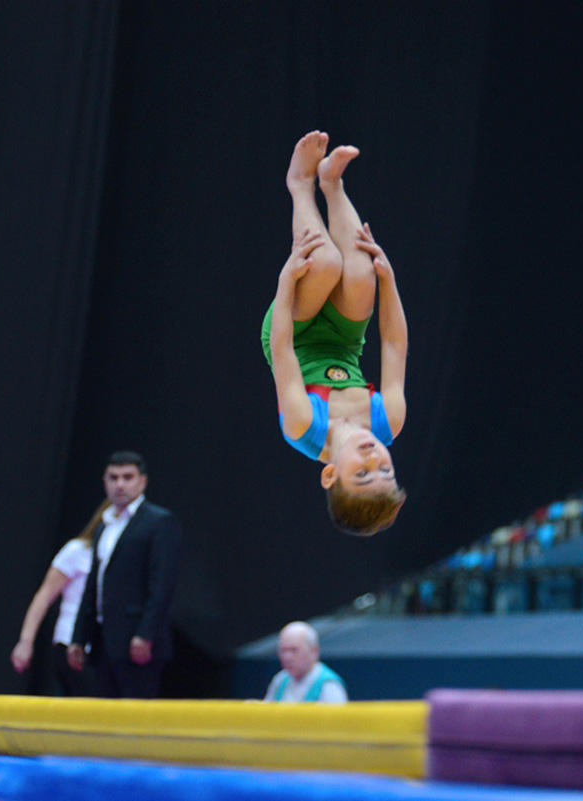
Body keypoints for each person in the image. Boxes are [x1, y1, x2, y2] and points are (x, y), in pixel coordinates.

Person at [261, 130, 408, 536]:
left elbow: (282, 349)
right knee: (363, 274)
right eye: (385, 470)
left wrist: (287, 283)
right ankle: (332, 182)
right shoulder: (388, 422)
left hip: (293, 332)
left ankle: (300, 184)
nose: (373, 458)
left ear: (329, 476)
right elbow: (395, 345)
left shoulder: (303, 426)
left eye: (362, 474)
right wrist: (388, 279)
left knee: (324, 262)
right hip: (344, 342)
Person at [67, 451, 182, 698]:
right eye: (113, 478)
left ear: (143, 481)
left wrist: (145, 635)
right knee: (103, 714)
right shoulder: (104, 526)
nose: (120, 484)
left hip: (137, 642)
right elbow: (94, 586)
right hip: (103, 640)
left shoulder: (159, 522)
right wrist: (78, 636)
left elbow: (162, 584)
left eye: (127, 477)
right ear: (105, 481)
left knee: (135, 715)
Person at [10, 500, 109, 696]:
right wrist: (26, 641)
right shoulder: (78, 550)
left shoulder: (125, 558)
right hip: (70, 641)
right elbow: (44, 596)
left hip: (104, 647)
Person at [264, 621, 348, 703]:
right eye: (283, 650)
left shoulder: (329, 686)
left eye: (294, 650)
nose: (287, 657)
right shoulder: (280, 680)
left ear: (313, 651)